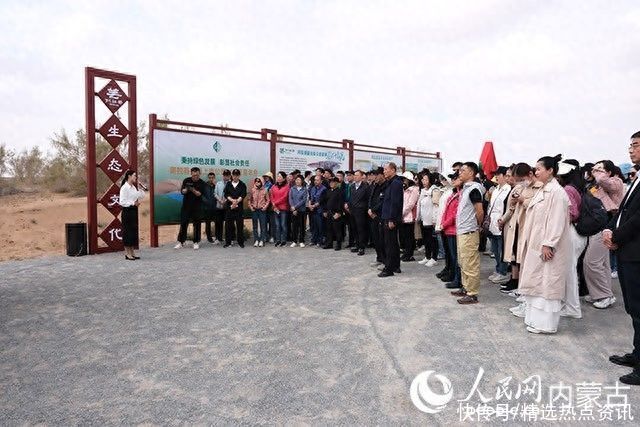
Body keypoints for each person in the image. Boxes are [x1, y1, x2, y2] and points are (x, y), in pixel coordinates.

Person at [518, 155, 572, 334]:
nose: (536, 172)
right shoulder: (543, 189)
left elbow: (557, 221)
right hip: (537, 244)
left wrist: (549, 243)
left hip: (547, 246)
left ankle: (546, 325)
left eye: (539, 169)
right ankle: (535, 320)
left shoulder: (557, 192)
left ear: (550, 171)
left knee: (548, 285)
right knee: (537, 283)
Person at [604, 131, 640, 385]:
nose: (631, 150)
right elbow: (624, 211)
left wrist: (616, 236)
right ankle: (637, 354)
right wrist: (611, 230)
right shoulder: (636, 178)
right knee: (634, 309)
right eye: (630, 146)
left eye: (636, 145)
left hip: (635, 252)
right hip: (628, 251)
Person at [583, 160, 624, 309]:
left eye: (600, 168)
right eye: (595, 168)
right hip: (601, 226)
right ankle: (601, 293)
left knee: (591, 262)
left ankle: (604, 295)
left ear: (609, 172)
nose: (595, 171)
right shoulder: (597, 185)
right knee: (603, 264)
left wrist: (597, 173)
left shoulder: (616, 181)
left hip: (607, 227)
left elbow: (602, 180)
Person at [556, 160, 587, 318]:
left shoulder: (567, 189)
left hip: (571, 233)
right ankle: (570, 306)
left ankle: (572, 308)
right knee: (570, 271)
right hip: (578, 234)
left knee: (569, 272)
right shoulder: (576, 187)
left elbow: (572, 213)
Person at [450, 162, 485, 304]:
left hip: (469, 231)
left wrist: (476, 226)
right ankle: (465, 288)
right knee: (463, 262)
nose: (460, 173)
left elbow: (480, 212)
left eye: (463, 170)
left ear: (471, 173)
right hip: (463, 231)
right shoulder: (466, 188)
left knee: (470, 263)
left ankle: (472, 293)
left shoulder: (474, 189)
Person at [487, 166, 512, 285]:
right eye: (495, 175)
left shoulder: (508, 189)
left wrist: (503, 219)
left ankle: (503, 272)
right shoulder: (496, 189)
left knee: (502, 249)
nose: (496, 177)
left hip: (502, 221)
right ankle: (498, 269)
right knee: (495, 249)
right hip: (492, 222)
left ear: (505, 176)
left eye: (498, 174)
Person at [378, 162, 403, 277]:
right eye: (384, 170)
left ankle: (389, 269)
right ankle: (396, 266)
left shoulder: (396, 183)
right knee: (392, 243)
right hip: (386, 216)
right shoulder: (390, 183)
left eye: (386, 169)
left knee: (390, 245)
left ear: (393, 170)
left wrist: (392, 219)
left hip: (390, 218)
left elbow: (395, 203)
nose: (384, 172)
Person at [175, 167, 206, 250]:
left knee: (197, 224)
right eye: (194, 175)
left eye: (197, 175)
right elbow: (182, 191)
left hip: (197, 207)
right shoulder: (186, 180)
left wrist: (192, 189)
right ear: (191, 174)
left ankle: (196, 242)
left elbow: (199, 194)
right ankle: (181, 242)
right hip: (186, 206)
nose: (195, 176)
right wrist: (185, 190)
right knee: (183, 223)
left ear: (199, 174)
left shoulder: (202, 183)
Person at [440, 173, 462, 289]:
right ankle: (454, 276)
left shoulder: (460, 195)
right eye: (452, 178)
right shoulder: (453, 194)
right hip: (448, 228)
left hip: (453, 229)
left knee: (456, 257)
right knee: (452, 256)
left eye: (455, 178)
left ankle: (458, 280)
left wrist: (444, 224)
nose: (453, 180)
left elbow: (454, 214)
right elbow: (446, 211)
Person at [118, 170, 146, 260]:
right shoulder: (124, 187)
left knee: (133, 231)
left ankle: (132, 252)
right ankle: (127, 253)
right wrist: (133, 203)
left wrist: (141, 188)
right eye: (134, 176)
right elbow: (122, 202)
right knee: (127, 232)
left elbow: (141, 196)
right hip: (127, 211)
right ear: (129, 176)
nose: (136, 177)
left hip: (133, 211)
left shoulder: (133, 187)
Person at [417, 171, 441, 267]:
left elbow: (436, 206)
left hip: (431, 220)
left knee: (433, 240)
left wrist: (435, 220)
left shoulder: (434, 190)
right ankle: (427, 256)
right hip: (423, 219)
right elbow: (419, 205)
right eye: (422, 179)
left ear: (430, 180)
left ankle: (434, 258)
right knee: (426, 239)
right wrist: (418, 217)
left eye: (425, 180)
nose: (423, 181)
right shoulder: (423, 191)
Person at [223, 169, 247, 248]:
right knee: (228, 225)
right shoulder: (229, 184)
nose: (235, 177)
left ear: (239, 176)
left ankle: (240, 242)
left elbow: (243, 195)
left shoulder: (242, 184)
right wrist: (232, 200)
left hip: (239, 208)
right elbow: (226, 194)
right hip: (229, 208)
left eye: (237, 175)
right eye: (234, 175)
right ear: (232, 175)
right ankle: (228, 242)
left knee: (239, 225)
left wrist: (236, 201)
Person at [348, 170, 370, 256]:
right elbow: (351, 198)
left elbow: (368, 199)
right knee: (354, 229)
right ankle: (357, 245)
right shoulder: (352, 186)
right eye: (354, 175)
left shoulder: (366, 187)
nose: (355, 177)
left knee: (361, 229)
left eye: (357, 175)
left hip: (361, 211)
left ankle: (362, 247)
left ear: (361, 177)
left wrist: (365, 209)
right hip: (352, 211)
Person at [399, 171, 419, 262]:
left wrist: (402, 213)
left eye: (405, 179)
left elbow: (411, 204)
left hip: (409, 216)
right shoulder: (404, 189)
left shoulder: (414, 189)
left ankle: (409, 254)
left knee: (409, 236)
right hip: (403, 216)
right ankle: (406, 253)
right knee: (405, 236)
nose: (403, 181)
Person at [368, 168, 386, 268]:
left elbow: (382, 202)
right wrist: (369, 209)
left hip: (380, 215)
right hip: (372, 215)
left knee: (382, 239)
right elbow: (370, 199)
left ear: (381, 175)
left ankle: (384, 260)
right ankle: (379, 258)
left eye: (376, 175)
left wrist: (373, 210)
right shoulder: (375, 186)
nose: (374, 177)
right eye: (373, 175)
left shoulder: (385, 186)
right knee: (375, 238)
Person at [322, 177, 345, 250]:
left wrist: (339, 213)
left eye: (333, 182)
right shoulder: (328, 191)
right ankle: (329, 244)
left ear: (337, 183)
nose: (331, 183)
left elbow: (341, 203)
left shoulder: (340, 192)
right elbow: (325, 202)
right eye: (330, 182)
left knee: (337, 230)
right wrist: (324, 211)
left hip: (336, 213)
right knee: (329, 229)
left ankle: (338, 245)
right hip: (328, 212)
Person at [270, 171, 290, 247]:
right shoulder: (273, 186)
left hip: (283, 208)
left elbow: (285, 197)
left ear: (284, 178)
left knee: (283, 225)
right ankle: (278, 240)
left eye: (280, 177)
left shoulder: (287, 186)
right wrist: (273, 204)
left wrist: (275, 203)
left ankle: (283, 240)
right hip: (275, 208)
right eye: (277, 176)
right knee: (277, 225)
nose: (278, 178)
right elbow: (271, 196)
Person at [248, 177, 270, 247]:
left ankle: (262, 240)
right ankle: (256, 240)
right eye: (256, 181)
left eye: (259, 181)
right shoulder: (252, 190)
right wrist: (251, 207)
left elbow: (268, 200)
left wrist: (265, 207)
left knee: (263, 226)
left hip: (262, 210)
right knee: (255, 226)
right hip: (254, 210)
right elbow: (249, 200)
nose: (257, 183)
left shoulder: (265, 190)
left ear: (262, 182)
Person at [289, 175, 308, 247]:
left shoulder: (304, 189)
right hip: (294, 211)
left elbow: (303, 200)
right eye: (296, 180)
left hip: (302, 210)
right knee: (294, 226)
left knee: (302, 226)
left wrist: (295, 207)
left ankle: (301, 241)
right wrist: (292, 207)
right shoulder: (292, 189)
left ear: (302, 181)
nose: (297, 181)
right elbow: (290, 198)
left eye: (299, 180)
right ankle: (294, 241)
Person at [308, 175, 327, 247]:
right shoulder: (313, 188)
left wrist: (313, 206)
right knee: (314, 226)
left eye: (317, 180)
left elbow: (321, 201)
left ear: (321, 181)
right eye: (315, 180)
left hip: (320, 210)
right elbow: (310, 197)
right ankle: (313, 240)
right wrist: (310, 205)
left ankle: (320, 241)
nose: (315, 181)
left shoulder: (324, 189)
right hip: (313, 210)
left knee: (320, 226)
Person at [213, 169, 231, 244]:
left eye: (227, 175)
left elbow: (232, 194)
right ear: (223, 175)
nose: (225, 177)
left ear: (229, 176)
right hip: (219, 206)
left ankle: (228, 239)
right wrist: (220, 200)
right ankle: (218, 238)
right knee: (218, 223)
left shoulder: (231, 184)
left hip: (227, 207)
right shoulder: (218, 183)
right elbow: (215, 193)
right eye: (224, 175)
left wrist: (225, 200)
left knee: (228, 224)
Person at [202, 172, 218, 244]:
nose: (211, 179)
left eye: (212, 178)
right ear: (208, 178)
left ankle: (217, 237)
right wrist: (206, 201)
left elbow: (220, 194)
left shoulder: (217, 185)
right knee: (208, 223)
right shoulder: (204, 185)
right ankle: (209, 237)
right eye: (210, 178)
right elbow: (202, 195)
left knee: (217, 222)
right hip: (207, 207)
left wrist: (215, 185)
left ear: (214, 178)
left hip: (215, 207)